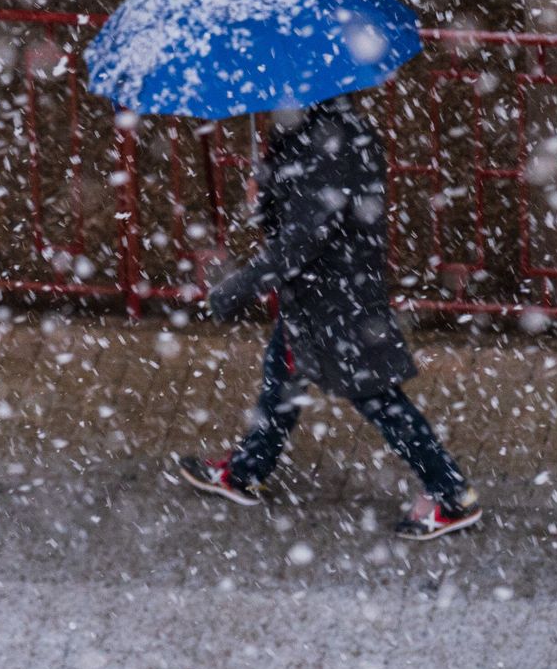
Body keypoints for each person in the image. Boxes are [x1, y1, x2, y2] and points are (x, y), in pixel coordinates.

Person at [177, 93, 481, 540]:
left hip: (336, 297)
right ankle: (244, 471)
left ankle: (451, 495)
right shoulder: (318, 130)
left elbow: (304, 237)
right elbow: (305, 215)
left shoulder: (324, 143)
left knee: (376, 396)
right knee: (282, 374)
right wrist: (266, 192)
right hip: (327, 293)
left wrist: (234, 290)